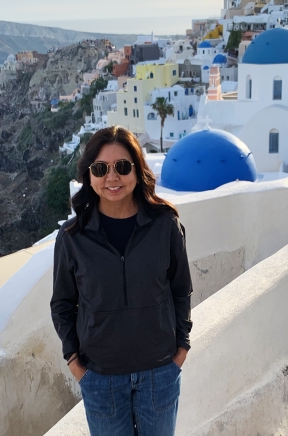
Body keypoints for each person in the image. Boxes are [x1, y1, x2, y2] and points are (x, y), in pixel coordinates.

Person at [51, 126, 193, 436]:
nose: (112, 178)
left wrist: (181, 348)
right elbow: (62, 304)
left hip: (160, 372)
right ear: (89, 175)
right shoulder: (72, 237)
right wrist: (76, 364)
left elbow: (181, 289)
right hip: (101, 378)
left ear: (138, 170)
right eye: (101, 169)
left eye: (122, 167)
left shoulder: (165, 225)